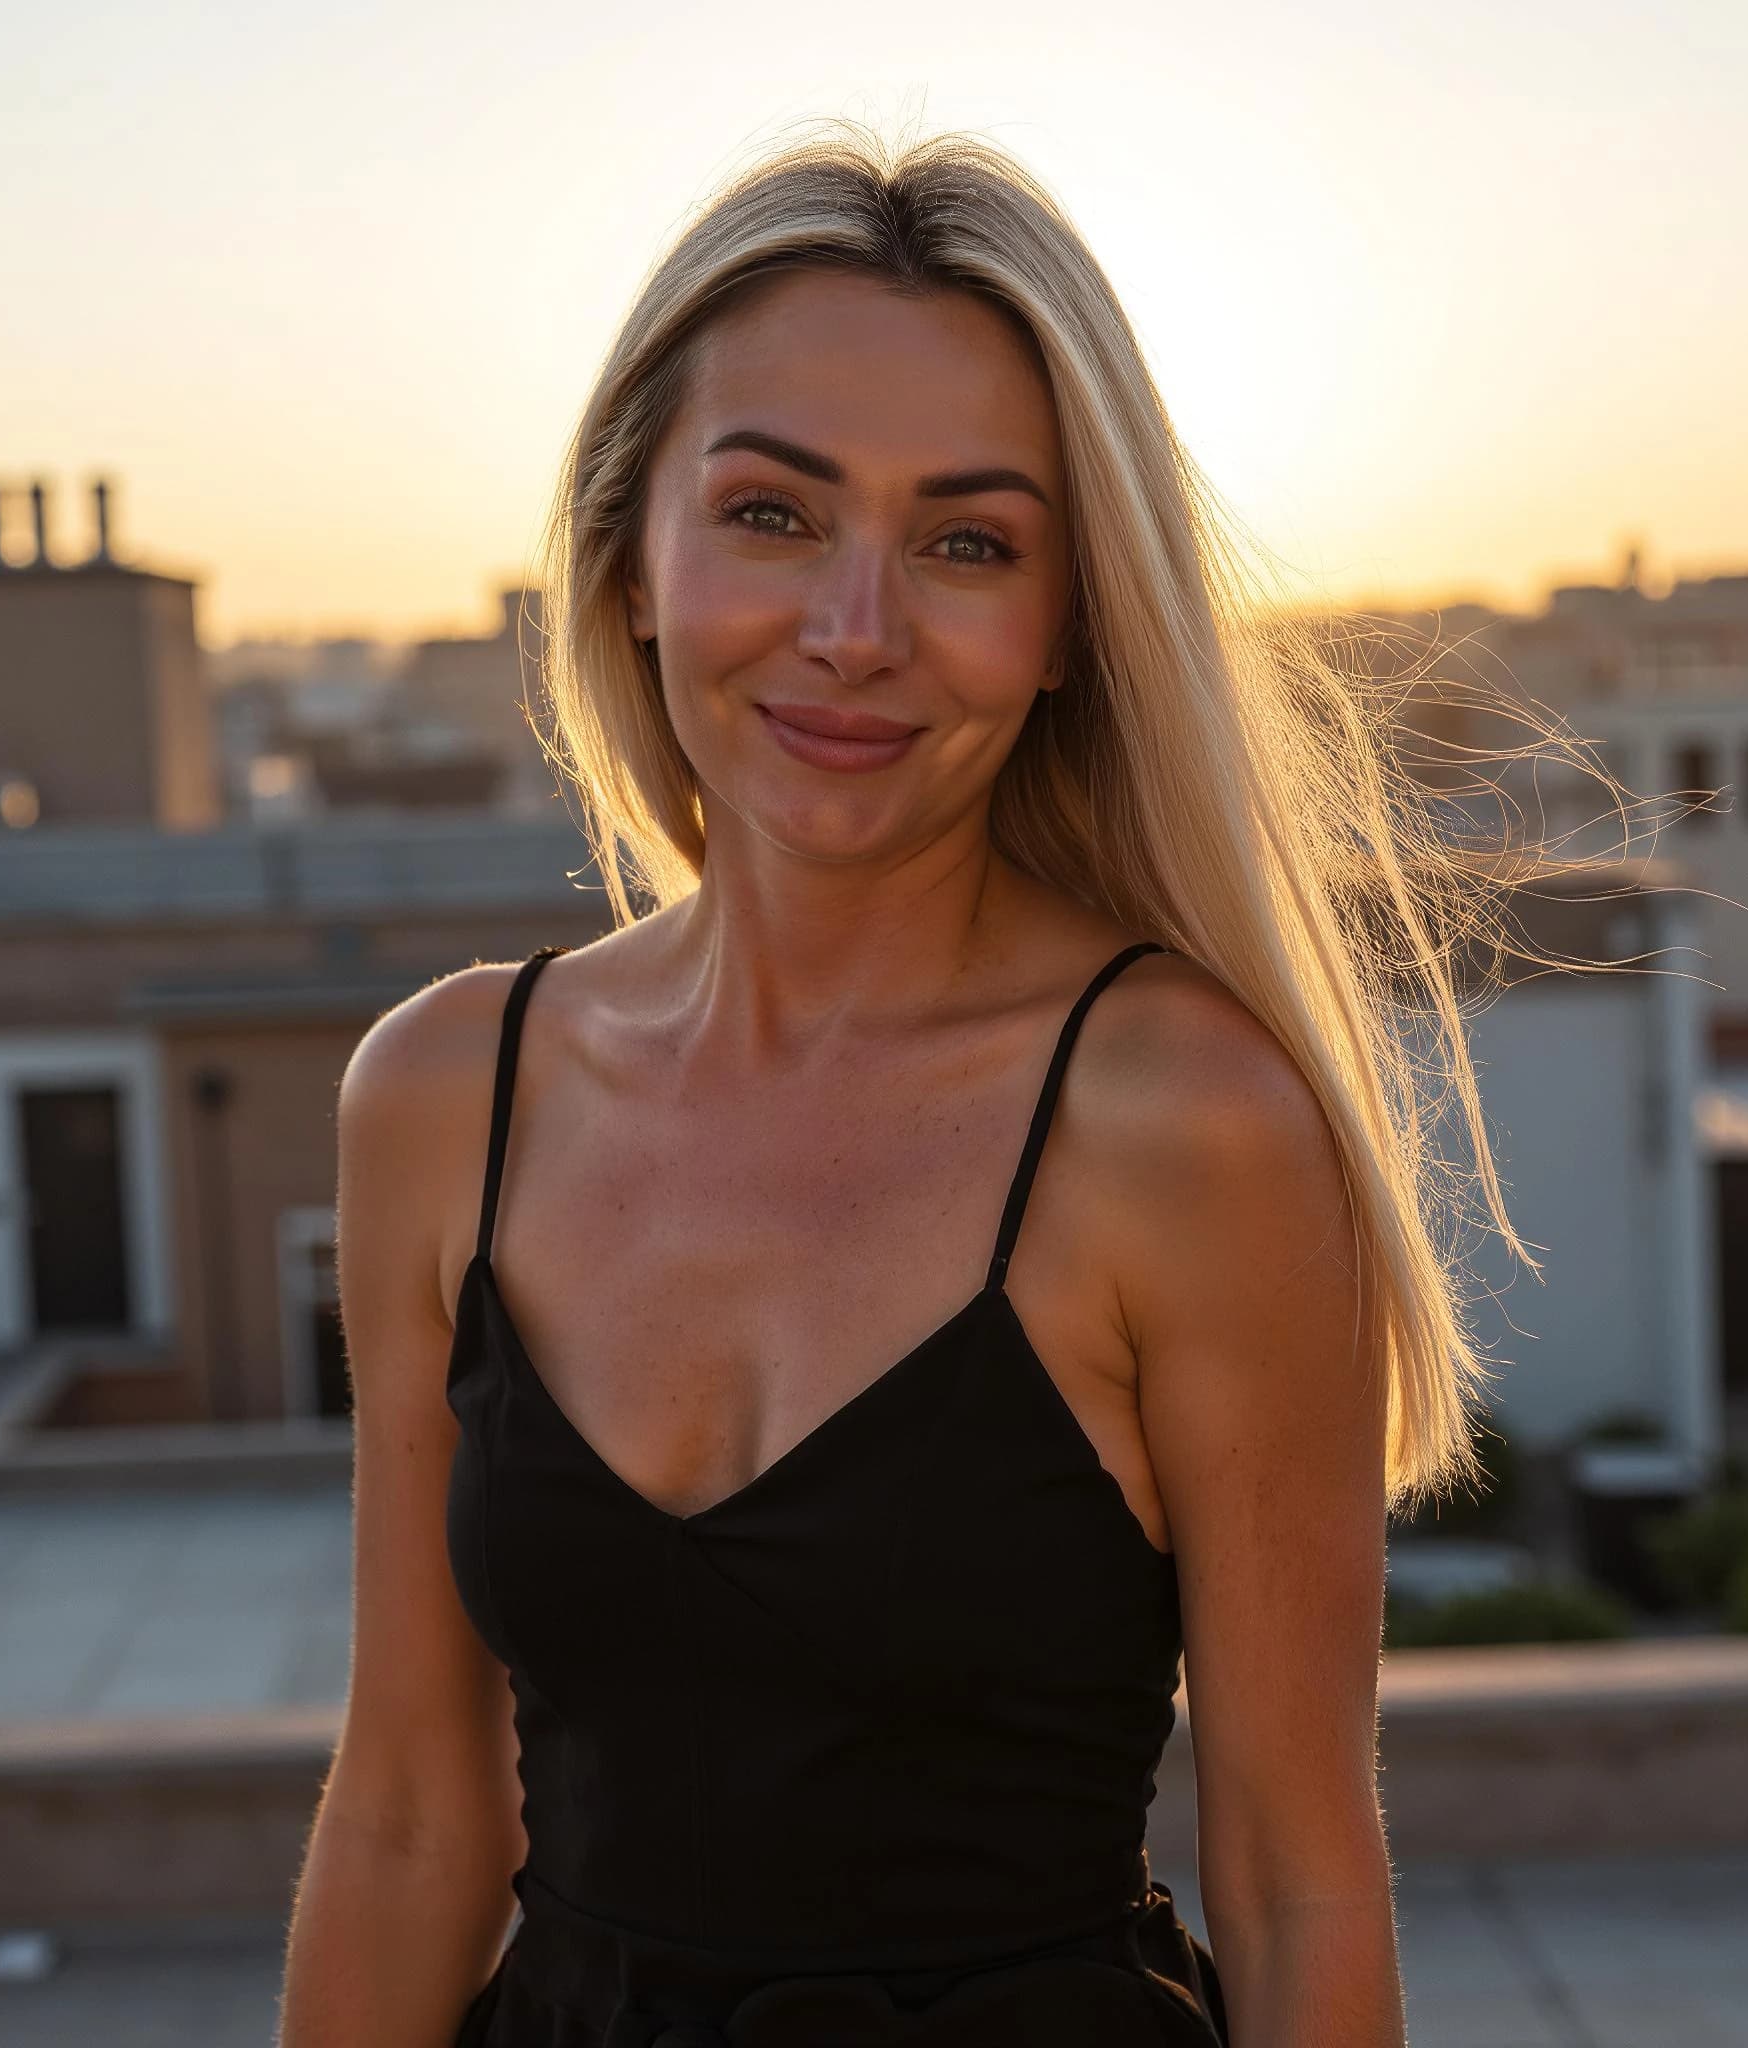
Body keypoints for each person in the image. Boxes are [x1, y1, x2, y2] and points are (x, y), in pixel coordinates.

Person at [281, 121, 1541, 2048]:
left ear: (1064, 631)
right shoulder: (445, 1094)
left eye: (968, 543)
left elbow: (1298, 1880)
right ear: (631, 557)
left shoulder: (1185, 1126)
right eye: (774, 514)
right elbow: (402, 1819)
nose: (856, 634)